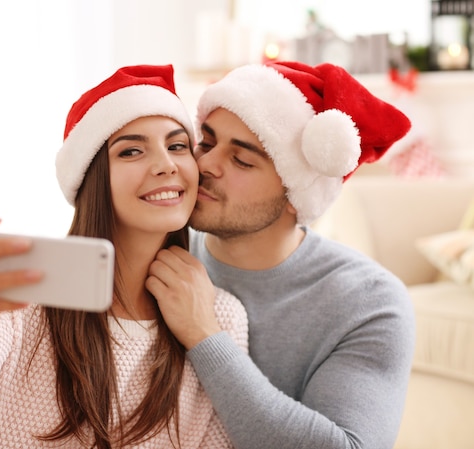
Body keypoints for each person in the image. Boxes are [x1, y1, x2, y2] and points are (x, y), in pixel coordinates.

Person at [0, 64, 248, 449]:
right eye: (131, 151)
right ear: (91, 178)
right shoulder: (26, 290)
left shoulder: (221, 319)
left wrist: (203, 334)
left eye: (178, 145)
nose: (166, 164)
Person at [146, 61, 416, 449]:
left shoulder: (370, 301)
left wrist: (203, 334)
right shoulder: (157, 253)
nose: (204, 165)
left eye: (241, 160)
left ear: (296, 193)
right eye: (205, 142)